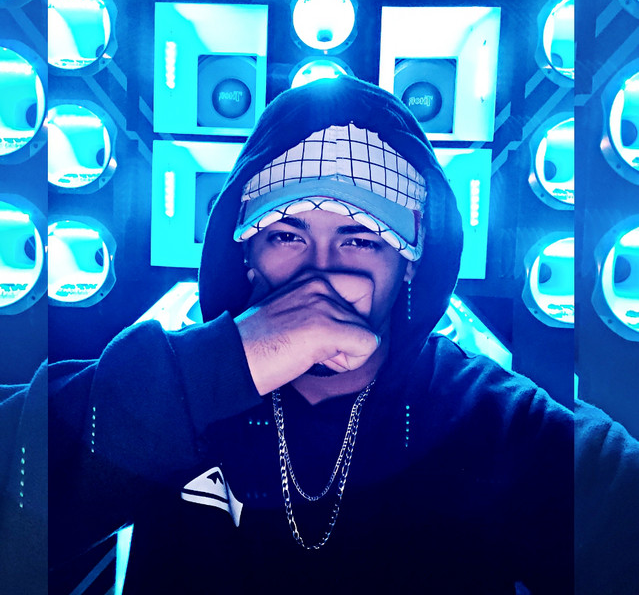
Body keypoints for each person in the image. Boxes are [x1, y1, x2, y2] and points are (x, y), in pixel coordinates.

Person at [2, 76, 638, 594]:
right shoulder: (172, 389)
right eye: (287, 235)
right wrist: (222, 365)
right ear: (244, 251)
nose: (320, 276)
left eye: (361, 239)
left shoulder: (490, 420)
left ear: (412, 261)